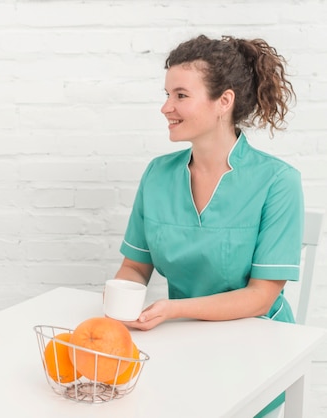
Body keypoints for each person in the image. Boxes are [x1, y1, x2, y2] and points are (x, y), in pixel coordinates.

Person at [114, 35, 301, 417]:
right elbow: (135, 267)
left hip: (258, 348)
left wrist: (172, 310)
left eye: (181, 95)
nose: (166, 107)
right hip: (180, 342)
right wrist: (120, 306)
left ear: (224, 102)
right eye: (167, 94)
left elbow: (261, 296)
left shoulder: (278, 182)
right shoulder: (157, 175)